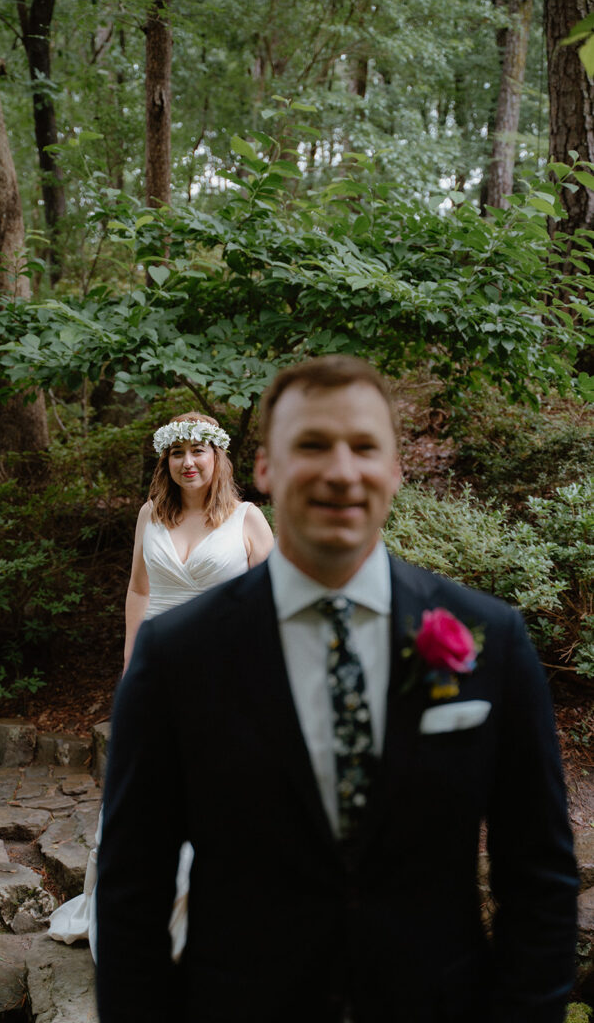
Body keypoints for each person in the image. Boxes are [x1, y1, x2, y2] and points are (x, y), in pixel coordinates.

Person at [96, 356, 578, 1023]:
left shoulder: (491, 638)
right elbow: (133, 890)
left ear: (394, 470)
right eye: (312, 445)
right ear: (266, 468)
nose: (340, 470)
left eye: (364, 447)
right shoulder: (175, 656)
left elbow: (538, 878)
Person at [48, 411, 273, 958]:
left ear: (218, 457)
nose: (188, 462)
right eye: (177, 453)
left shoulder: (247, 519)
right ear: (164, 461)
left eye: (198, 451)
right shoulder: (151, 514)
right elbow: (139, 591)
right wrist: (131, 660)